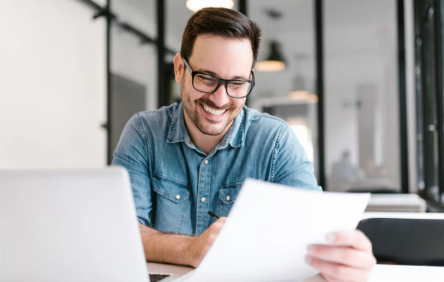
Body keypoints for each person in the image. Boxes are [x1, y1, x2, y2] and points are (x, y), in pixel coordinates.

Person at [112, 8, 376, 282]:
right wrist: (188, 248)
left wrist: (344, 259)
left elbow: (316, 239)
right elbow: (120, 233)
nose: (220, 98)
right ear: (180, 69)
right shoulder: (144, 133)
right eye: (206, 78)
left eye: (237, 83)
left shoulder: (275, 141)